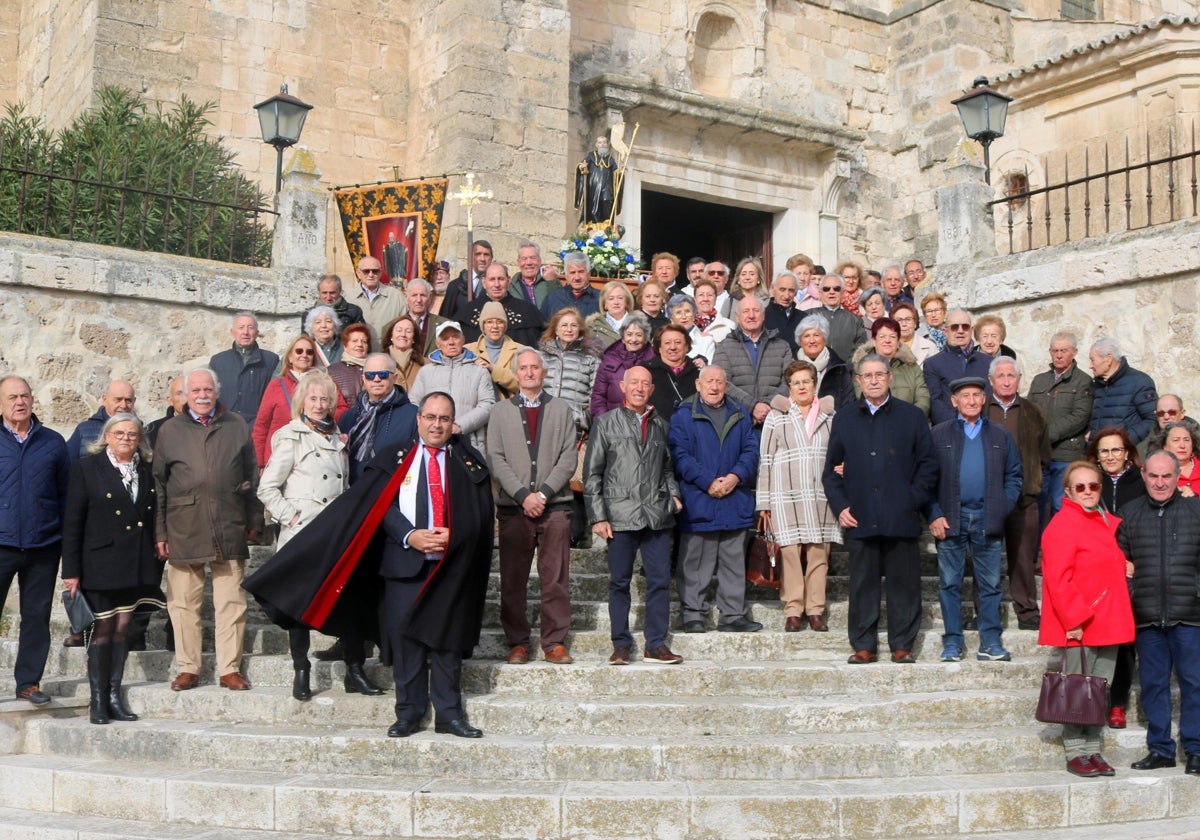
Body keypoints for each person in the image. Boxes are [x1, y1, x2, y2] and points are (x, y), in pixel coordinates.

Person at [257, 372, 384, 701]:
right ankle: (302, 670)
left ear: (331, 404)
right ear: (302, 401)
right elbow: (267, 487)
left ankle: (354, 671)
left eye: (324, 399)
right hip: (303, 534)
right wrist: (292, 516)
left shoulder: (337, 437)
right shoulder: (291, 437)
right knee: (298, 605)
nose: (318, 404)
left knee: (348, 601)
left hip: (335, 534)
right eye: (312, 399)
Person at [824, 354, 937, 664]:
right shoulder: (845, 418)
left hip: (900, 515)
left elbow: (928, 465)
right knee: (862, 585)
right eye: (867, 375)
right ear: (858, 381)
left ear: (890, 378)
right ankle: (864, 645)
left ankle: (902, 644)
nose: (873, 380)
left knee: (904, 584)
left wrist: (912, 498)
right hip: (860, 514)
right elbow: (831, 470)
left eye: (879, 374)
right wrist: (841, 505)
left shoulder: (912, 417)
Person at [154, 367, 262, 692]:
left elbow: (251, 476)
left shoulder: (236, 425)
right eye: (196, 390)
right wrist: (160, 532)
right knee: (183, 602)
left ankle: (229, 669)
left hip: (229, 522)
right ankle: (189, 667)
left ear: (217, 392)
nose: (202, 395)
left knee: (231, 601)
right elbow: (158, 484)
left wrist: (255, 521)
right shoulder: (169, 430)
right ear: (185, 395)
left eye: (208, 390)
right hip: (183, 525)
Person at [61, 413, 166, 724]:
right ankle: (97, 700)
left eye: (132, 434)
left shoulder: (146, 471)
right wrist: (71, 570)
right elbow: (73, 523)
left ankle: (113, 696)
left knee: (124, 629)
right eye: (119, 433)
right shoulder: (86, 468)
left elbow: (150, 515)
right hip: (100, 563)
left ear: (139, 440)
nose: (126, 438)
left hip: (134, 562)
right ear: (107, 436)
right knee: (103, 629)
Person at [1041, 460, 1136, 777]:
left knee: (1096, 689)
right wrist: (1074, 619)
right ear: (1067, 491)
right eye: (1079, 487)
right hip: (1081, 622)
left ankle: (1092, 749)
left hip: (1107, 620)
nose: (1087, 491)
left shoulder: (1101, 520)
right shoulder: (1063, 524)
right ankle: (1075, 752)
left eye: (1093, 485)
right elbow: (1058, 578)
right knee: (1079, 688)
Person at [585, 365, 683, 664]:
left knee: (659, 581)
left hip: (656, 514)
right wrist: (598, 516)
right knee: (619, 582)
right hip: (620, 514)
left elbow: (666, 467)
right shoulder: (605, 423)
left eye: (645, 384)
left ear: (652, 389)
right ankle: (621, 645)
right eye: (634, 383)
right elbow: (592, 474)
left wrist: (674, 495)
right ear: (623, 387)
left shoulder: (661, 425)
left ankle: (656, 644)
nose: (639, 388)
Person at [487, 349, 579, 665]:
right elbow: (495, 458)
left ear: (544, 372)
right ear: (516, 373)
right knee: (513, 579)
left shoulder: (562, 409)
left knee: (555, 578)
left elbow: (569, 456)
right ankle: (518, 642)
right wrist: (523, 495)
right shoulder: (499, 412)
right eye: (523, 368)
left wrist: (543, 494)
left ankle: (554, 641)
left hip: (555, 507)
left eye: (534, 367)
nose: (529, 373)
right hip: (514, 507)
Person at [927, 376, 1022, 663]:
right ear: (954, 401)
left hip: (987, 517)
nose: (971, 400)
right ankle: (953, 642)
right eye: (965, 395)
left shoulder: (999, 435)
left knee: (991, 584)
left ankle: (990, 642)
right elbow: (925, 479)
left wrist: (1001, 507)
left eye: (976, 395)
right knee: (949, 584)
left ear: (984, 399)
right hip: (951, 518)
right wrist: (933, 513)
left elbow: (1014, 476)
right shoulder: (939, 434)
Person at [1117, 450, 1200, 775]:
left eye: (1167, 476)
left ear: (1178, 475)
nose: (1160, 482)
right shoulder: (1130, 514)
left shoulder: (1196, 511)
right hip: (1147, 615)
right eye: (1154, 476)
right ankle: (1161, 748)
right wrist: (1131, 590)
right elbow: (1119, 565)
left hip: (1190, 614)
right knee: (1153, 685)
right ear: (1145, 476)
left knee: (1194, 685)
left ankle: (1195, 749)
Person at [669, 365, 762, 633]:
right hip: (699, 498)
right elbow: (679, 455)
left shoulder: (739, 412)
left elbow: (750, 451)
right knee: (696, 561)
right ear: (698, 385)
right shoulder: (684, 414)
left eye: (719, 382)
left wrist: (735, 476)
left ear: (726, 384)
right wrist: (707, 481)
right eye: (709, 381)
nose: (714, 386)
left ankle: (733, 615)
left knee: (733, 560)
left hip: (735, 496)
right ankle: (693, 614)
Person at [757, 360, 841, 632]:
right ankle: (793, 609)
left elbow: (841, 453)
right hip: (785, 493)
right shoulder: (776, 415)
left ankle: (815, 609)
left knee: (819, 552)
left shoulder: (830, 415)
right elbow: (765, 459)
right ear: (789, 387)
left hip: (820, 493)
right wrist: (764, 503)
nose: (802, 386)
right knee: (791, 552)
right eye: (796, 382)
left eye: (807, 381)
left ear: (815, 385)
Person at [0, 375, 70, 705]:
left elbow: (65, 494)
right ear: (1, 403)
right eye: (12, 396)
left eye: (24, 395)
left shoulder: (53, 442)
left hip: (43, 544)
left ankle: (29, 683)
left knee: (37, 616)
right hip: (1, 543)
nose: (19, 402)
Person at [1086, 425, 1146, 730]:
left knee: (1123, 641)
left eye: (1116, 450)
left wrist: (1134, 560)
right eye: (1104, 451)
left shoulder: (1142, 481)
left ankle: (1118, 703)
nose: (1110, 456)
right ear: (1096, 456)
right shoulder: (1088, 484)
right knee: (1095, 640)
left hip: (1129, 572)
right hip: (1095, 573)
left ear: (1127, 453)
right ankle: (1092, 701)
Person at [984, 356, 1049, 632]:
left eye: (1012, 375)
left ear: (1019, 379)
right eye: (1001, 376)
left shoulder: (1034, 412)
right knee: (985, 557)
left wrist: (1032, 479)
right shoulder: (980, 409)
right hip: (986, 498)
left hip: (1024, 498)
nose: (1007, 380)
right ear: (991, 381)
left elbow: (1044, 455)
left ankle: (1027, 610)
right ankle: (985, 612)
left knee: (1023, 557)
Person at [253, 335, 347, 468]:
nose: (304, 355)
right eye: (299, 351)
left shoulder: (325, 383)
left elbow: (343, 409)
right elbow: (261, 427)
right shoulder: (276, 386)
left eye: (309, 352)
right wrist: (261, 464)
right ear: (290, 357)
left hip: (313, 457)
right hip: (278, 457)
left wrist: (320, 416)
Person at [1028, 331, 1094, 516]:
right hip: (1039, 456)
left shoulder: (1083, 381)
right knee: (1036, 505)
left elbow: (1080, 416)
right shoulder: (1040, 380)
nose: (1058, 355)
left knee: (1061, 505)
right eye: (1054, 350)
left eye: (1063, 350)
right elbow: (1029, 412)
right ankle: (1038, 545)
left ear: (1074, 352)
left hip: (1066, 455)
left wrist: (1047, 434)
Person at [409, 321, 496, 451]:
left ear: (463, 339)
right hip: (431, 442)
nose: (451, 342)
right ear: (438, 344)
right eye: (445, 338)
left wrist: (459, 426)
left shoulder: (479, 371)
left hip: (469, 443)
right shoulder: (425, 372)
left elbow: (488, 404)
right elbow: (414, 404)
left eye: (455, 337)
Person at [710, 296, 793, 428]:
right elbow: (722, 383)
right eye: (746, 311)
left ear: (764, 315)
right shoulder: (724, 347)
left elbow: (790, 382)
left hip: (776, 421)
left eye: (756, 310)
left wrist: (766, 405)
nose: (751, 315)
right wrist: (752, 406)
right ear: (737, 317)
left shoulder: (782, 346)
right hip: (737, 421)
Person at [339, 353, 419, 484]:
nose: (376, 379)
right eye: (370, 375)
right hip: (354, 491)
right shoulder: (349, 417)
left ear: (395, 377)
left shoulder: (413, 415)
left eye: (383, 374)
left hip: (391, 495)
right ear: (363, 379)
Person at [209, 312, 279, 429]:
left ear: (257, 333)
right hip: (225, 427)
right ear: (233, 332)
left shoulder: (270, 361)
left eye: (250, 328)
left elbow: (274, 397)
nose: (245, 332)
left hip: (257, 428)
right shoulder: (218, 361)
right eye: (241, 328)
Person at [924, 308, 994, 425]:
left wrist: (980, 425)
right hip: (950, 429)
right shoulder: (933, 364)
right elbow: (936, 402)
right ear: (946, 331)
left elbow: (991, 399)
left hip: (984, 428)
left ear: (971, 330)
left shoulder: (989, 362)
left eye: (965, 327)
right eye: (955, 327)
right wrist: (958, 425)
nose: (960, 331)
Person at [850, 317, 930, 417]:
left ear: (898, 341)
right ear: (874, 340)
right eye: (882, 336)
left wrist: (911, 419)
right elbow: (862, 397)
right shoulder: (861, 366)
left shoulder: (911, 366)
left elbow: (923, 397)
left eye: (892, 336)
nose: (887, 340)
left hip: (910, 422)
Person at [457, 262, 546, 347]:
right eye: (492, 279)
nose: (497, 284)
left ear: (509, 281)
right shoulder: (467, 311)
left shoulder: (528, 310)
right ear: (484, 282)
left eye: (501, 279)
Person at [1088, 337, 1158, 445]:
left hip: (1126, 455)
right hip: (1098, 454)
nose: (1090, 366)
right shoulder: (1097, 385)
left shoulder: (1139, 382)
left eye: (1093, 360)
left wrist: (1123, 442)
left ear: (1108, 359)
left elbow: (1152, 419)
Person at [590, 313, 654, 417]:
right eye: (629, 334)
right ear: (623, 338)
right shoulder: (609, 360)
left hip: (645, 423)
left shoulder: (654, 360)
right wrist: (605, 423)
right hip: (612, 424)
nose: (633, 339)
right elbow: (598, 397)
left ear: (645, 339)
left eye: (638, 335)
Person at [795, 314, 855, 414]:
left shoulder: (839, 367)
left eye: (816, 335)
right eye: (806, 336)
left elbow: (849, 401)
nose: (812, 340)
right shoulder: (791, 363)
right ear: (800, 341)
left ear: (824, 339)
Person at [66, 380, 137, 460]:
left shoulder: (141, 432)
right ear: (104, 399)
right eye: (118, 399)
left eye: (128, 400)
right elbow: (67, 464)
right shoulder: (84, 430)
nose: (123, 405)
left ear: (134, 401)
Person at [467, 301, 522, 400]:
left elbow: (525, 383)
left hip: (509, 409)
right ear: (483, 326)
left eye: (500, 321)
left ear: (505, 325)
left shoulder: (521, 350)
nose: (495, 326)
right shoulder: (468, 351)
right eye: (489, 322)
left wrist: (493, 370)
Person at [347, 255, 406, 347]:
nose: (371, 275)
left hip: (387, 355)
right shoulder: (347, 297)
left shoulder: (396, 296)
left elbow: (405, 326)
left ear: (380, 273)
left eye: (375, 271)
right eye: (366, 271)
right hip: (358, 356)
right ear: (358, 273)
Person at [645, 324, 700, 421]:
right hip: (657, 431)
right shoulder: (646, 371)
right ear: (659, 348)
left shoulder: (699, 371)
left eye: (678, 342)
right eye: (667, 343)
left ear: (687, 346)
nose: (673, 347)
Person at [812, 274, 867, 363]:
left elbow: (861, 350)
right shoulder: (807, 316)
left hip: (845, 372)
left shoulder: (856, 321)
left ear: (843, 292)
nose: (831, 292)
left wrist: (847, 368)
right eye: (826, 289)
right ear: (820, 292)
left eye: (836, 289)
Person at [574, 135, 621, 224]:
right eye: (600, 142)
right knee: (593, 206)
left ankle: (606, 222)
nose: (602, 144)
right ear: (596, 145)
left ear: (607, 145)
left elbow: (615, 171)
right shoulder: (591, 156)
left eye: (604, 142)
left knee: (606, 200)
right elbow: (582, 165)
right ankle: (595, 223)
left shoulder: (611, 159)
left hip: (606, 186)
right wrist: (582, 167)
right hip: (593, 187)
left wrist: (620, 171)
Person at [541, 252, 600, 319]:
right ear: (566, 275)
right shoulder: (554, 297)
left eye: (581, 272)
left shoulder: (600, 298)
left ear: (589, 273)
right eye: (572, 273)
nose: (577, 277)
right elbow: (543, 325)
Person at [442, 240, 493, 317]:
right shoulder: (455, 285)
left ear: (491, 258)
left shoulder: (496, 287)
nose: (482, 259)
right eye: (478, 254)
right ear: (470, 257)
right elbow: (445, 317)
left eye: (486, 255)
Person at [327, 322, 373, 408]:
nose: (360, 345)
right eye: (355, 341)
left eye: (364, 341)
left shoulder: (376, 369)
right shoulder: (332, 371)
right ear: (345, 345)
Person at [1140, 394, 1199, 458]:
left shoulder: (1198, 440)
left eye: (1172, 412)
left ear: (1182, 413)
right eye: (1161, 413)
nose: (1166, 417)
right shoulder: (1143, 450)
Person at [381, 314, 426, 391]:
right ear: (391, 336)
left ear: (414, 338)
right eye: (399, 330)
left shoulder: (426, 364)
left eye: (408, 331)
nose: (403, 334)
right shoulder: (377, 362)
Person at [765, 270, 805, 354]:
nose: (786, 296)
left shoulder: (804, 319)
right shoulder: (761, 317)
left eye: (791, 290)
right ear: (772, 289)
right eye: (782, 289)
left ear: (796, 292)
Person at [404, 278, 446, 356]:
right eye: (414, 295)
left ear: (429, 299)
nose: (419, 300)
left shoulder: (444, 325)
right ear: (406, 298)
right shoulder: (393, 326)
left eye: (423, 295)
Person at [587, 280, 636, 347]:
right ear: (605, 304)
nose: (616, 302)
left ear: (627, 302)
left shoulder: (640, 324)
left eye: (620, 298)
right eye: (611, 299)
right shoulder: (594, 327)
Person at [890, 301, 937, 367]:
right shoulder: (885, 346)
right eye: (899, 320)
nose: (904, 324)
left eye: (908, 319)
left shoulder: (930, 347)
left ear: (915, 323)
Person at [144, 376, 186, 449]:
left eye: (189, 393)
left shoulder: (207, 427)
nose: (185, 398)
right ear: (170, 400)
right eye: (179, 393)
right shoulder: (153, 430)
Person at [509, 240, 552, 309]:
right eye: (524, 259)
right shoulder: (511, 286)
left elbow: (559, 304)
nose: (528, 262)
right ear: (518, 262)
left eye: (533, 258)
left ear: (539, 261)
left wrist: (552, 281)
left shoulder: (548, 282)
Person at [1163, 422, 1200, 496]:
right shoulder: (1155, 472)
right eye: (1176, 440)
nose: (1182, 445)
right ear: (1164, 446)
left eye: (1186, 440)